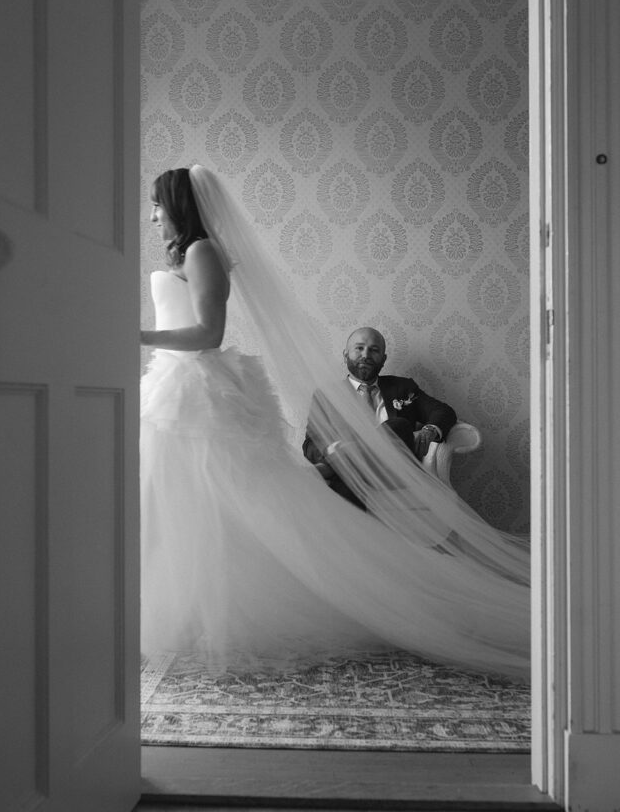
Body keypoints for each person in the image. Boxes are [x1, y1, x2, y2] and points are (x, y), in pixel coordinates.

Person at [140, 165, 530, 680]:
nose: (152, 216)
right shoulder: (189, 256)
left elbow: (209, 333)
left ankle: (320, 600)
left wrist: (140, 336)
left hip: (196, 387)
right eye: (359, 348)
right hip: (176, 390)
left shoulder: (201, 251)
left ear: (178, 206)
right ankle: (187, 612)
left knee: (229, 501)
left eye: (157, 205)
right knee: (178, 499)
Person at [303, 327, 457, 509]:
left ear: (383, 359)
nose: (366, 355)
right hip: (355, 477)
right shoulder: (327, 396)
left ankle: (332, 468)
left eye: (374, 350)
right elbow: (310, 445)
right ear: (345, 355)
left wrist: (430, 430)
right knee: (348, 483)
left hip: (395, 471)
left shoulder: (403, 387)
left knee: (398, 425)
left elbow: (443, 411)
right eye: (359, 348)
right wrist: (334, 448)